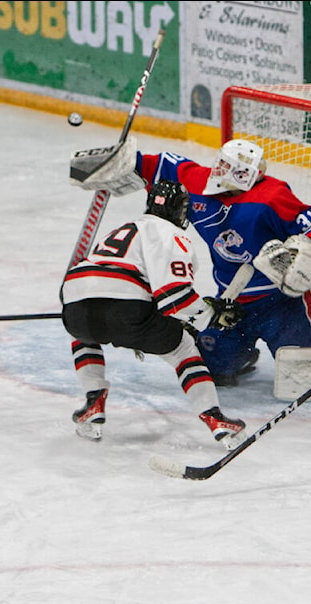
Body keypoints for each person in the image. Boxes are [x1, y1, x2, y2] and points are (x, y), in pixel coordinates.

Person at [69, 137, 311, 386]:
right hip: (231, 304)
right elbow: (156, 165)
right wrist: (118, 162)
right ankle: (242, 354)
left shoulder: (272, 197)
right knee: (209, 369)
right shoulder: (198, 181)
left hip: (282, 304)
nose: (218, 173)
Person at [61, 180, 249, 449]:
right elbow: (175, 296)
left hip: (74, 302)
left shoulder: (124, 228)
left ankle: (93, 403)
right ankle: (216, 419)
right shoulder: (170, 233)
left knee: (84, 334)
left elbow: (108, 287)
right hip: (127, 308)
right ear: (179, 210)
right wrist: (209, 316)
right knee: (183, 349)